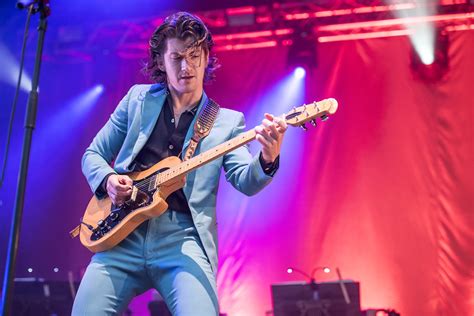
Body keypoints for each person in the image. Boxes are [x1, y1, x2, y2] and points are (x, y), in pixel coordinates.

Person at [72, 11, 287, 315]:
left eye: (194, 56)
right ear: (160, 62)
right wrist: (108, 180)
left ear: (206, 56)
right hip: (122, 236)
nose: (186, 67)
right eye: (176, 58)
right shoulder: (137, 100)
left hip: (182, 240)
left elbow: (246, 181)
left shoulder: (227, 122)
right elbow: (92, 154)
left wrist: (268, 157)